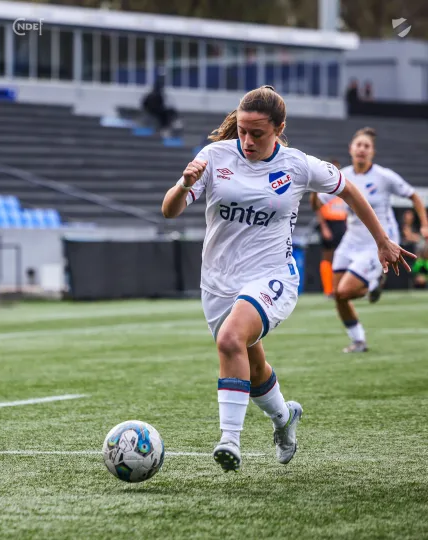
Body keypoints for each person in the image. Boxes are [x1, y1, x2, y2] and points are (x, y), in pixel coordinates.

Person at [161, 87, 415, 472]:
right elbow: (170, 211)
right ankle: (284, 417)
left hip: (272, 276)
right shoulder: (214, 157)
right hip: (217, 281)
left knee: (230, 339)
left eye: (257, 133)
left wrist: (382, 240)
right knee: (252, 365)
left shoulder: (298, 166)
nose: (247, 140)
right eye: (242, 131)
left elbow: (349, 191)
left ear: (279, 129)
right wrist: (184, 184)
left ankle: (229, 439)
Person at [312, 127, 428, 353]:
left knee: (346, 291)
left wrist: (424, 224)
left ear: (372, 152)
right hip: (351, 239)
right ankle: (358, 341)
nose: (362, 149)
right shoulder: (343, 176)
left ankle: (374, 283)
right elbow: (319, 203)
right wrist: (314, 189)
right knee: (338, 295)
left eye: (367, 146)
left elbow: (413, 195)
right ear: (351, 149)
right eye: (359, 145)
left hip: (378, 243)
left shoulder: (384, 176)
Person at [310, 159, 347, 297]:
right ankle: (328, 289)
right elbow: (317, 207)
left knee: (342, 255)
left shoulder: (342, 184)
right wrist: (324, 227)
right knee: (328, 256)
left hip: (341, 222)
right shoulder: (323, 186)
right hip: (329, 222)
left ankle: (340, 287)